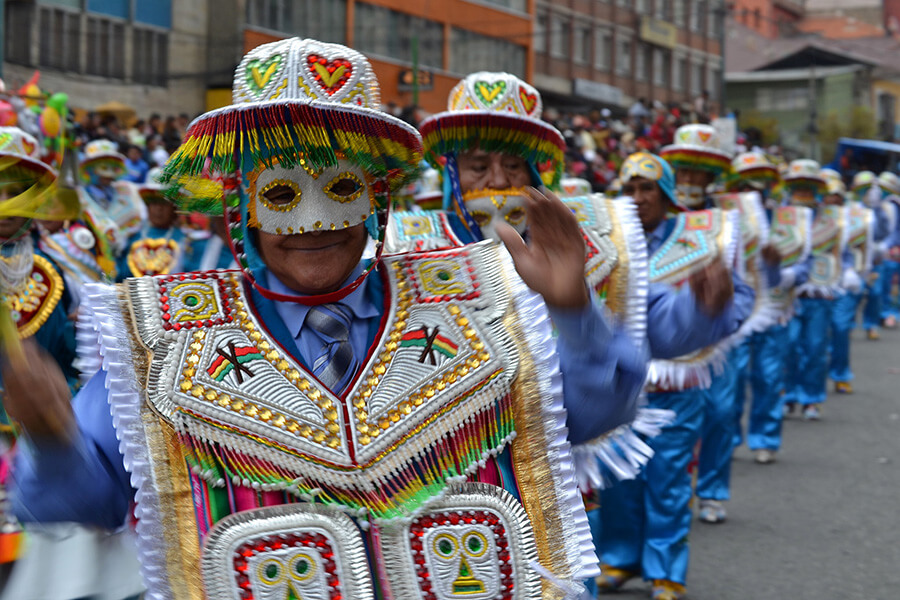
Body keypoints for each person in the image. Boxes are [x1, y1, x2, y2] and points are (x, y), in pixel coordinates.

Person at [7, 38, 615, 598]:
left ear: (378, 197)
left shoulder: (478, 299)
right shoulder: (160, 339)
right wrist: (53, 439)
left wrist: (577, 317)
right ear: (238, 202)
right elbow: (88, 501)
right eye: (281, 193)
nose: (315, 220)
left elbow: (583, 419)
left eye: (340, 186)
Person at [595, 151, 755, 600]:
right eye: (629, 189)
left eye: (647, 188)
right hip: (618, 386)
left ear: (666, 194)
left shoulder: (702, 237)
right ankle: (621, 558)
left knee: (667, 476)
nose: (637, 198)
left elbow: (740, 300)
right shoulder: (607, 241)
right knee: (620, 479)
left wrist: (714, 307)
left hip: (676, 383)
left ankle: (666, 568)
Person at [0, 126, 144, 600]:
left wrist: (55, 414)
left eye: (15, 190)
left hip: (43, 446)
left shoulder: (52, 273)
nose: (5, 203)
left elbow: (72, 354)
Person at [661, 124, 770, 526]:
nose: (690, 179)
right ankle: (667, 503)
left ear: (712, 177)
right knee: (664, 420)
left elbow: (747, 274)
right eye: (683, 170)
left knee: (722, 413)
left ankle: (711, 490)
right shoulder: (657, 212)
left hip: (722, 333)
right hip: (666, 333)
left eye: (698, 172)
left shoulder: (730, 219)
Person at [728, 151, 812, 464]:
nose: (756, 187)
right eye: (749, 180)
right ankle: (731, 437)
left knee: (768, 378)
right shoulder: (724, 218)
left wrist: (781, 271)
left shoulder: (791, 219)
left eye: (763, 179)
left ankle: (765, 439)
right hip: (735, 315)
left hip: (775, 312)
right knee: (732, 382)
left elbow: (806, 266)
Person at [781, 159, 846, 421]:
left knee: (816, 347)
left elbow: (843, 254)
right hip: (787, 294)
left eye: (808, 187)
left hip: (820, 294)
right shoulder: (781, 218)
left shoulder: (832, 219)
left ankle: (811, 398)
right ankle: (789, 394)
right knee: (789, 346)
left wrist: (845, 275)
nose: (803, 193)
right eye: (798, 187)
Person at [826, 173, 870, 395]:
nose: (831, 200)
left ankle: (841, 374)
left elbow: (859, 249)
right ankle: (797, 385)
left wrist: (854, 272)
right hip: (809, 285)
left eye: (835, 196)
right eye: (827, 196)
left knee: (841, 327)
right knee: (804, 338)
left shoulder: (852, 217)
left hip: (842, 283)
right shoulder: (807, 217)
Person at [116, 168, 187, 279]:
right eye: (153, 202)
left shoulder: (186, 241)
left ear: (174, 208)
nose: (158, 209)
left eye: (164, 203)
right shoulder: (131, 236)